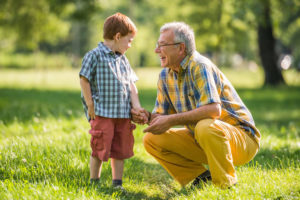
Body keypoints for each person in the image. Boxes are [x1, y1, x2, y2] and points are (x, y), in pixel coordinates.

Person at [131, 22, 261, 189]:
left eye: (162, 45)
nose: (157, 50)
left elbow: (213, 110)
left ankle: (226, 185)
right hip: (204, 138)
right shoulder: (165, 75)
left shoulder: (199, 65)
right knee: (152, 139)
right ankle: (201, 178)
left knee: (205, 126)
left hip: (242, 140)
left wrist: (170, 120)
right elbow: (162, 118)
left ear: (181, 48)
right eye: (157, 45)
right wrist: (146, 117)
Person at [79, 12, 146, 189]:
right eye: (129, 40)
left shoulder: (123, 60)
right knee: (99, 147)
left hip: (122, 115)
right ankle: (94, 182)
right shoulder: (94, 56)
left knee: (120, 149)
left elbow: (131, 85)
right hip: (102, 112)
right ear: (117, 37)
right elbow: (84, 79)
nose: (130, 45)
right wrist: (90, 104)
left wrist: (137, 106)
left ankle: (117, 184)